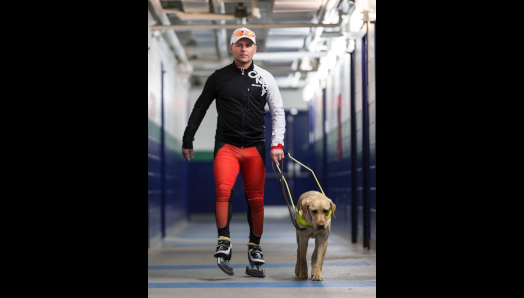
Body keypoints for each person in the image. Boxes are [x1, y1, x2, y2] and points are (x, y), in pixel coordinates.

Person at [181, 27, 285, 268]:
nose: (244, 48)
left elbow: (278, 112)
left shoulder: (266, 78)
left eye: (248, 45)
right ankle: (223, 240)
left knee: (256, 199)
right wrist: (188, 139)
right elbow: (200, 108)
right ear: (232, 48)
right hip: (226, 146)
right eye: (239, 44)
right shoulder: (218, 77)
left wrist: (276, 143)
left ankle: (255, 246)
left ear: (255, 49)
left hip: (254, 149)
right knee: (223, 192)